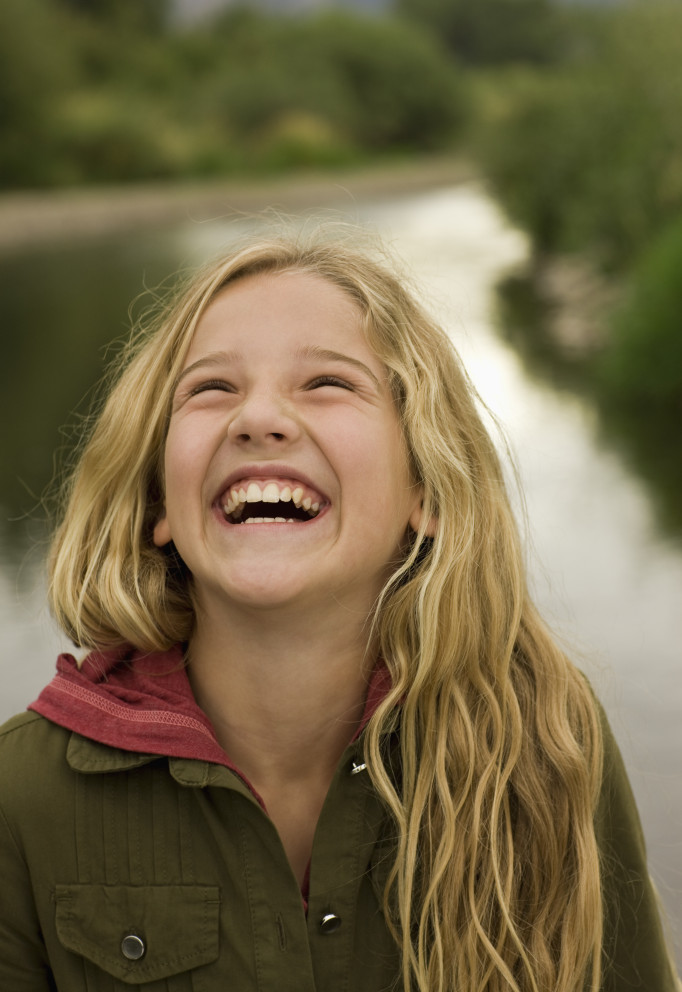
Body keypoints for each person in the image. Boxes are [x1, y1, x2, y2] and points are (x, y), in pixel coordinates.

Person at [0, 231, 677, 992]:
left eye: (326, 382)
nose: (258, 417)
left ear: (426, 486)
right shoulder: (21, 795)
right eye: (211, 389)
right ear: (160, 499)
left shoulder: (548, 738)